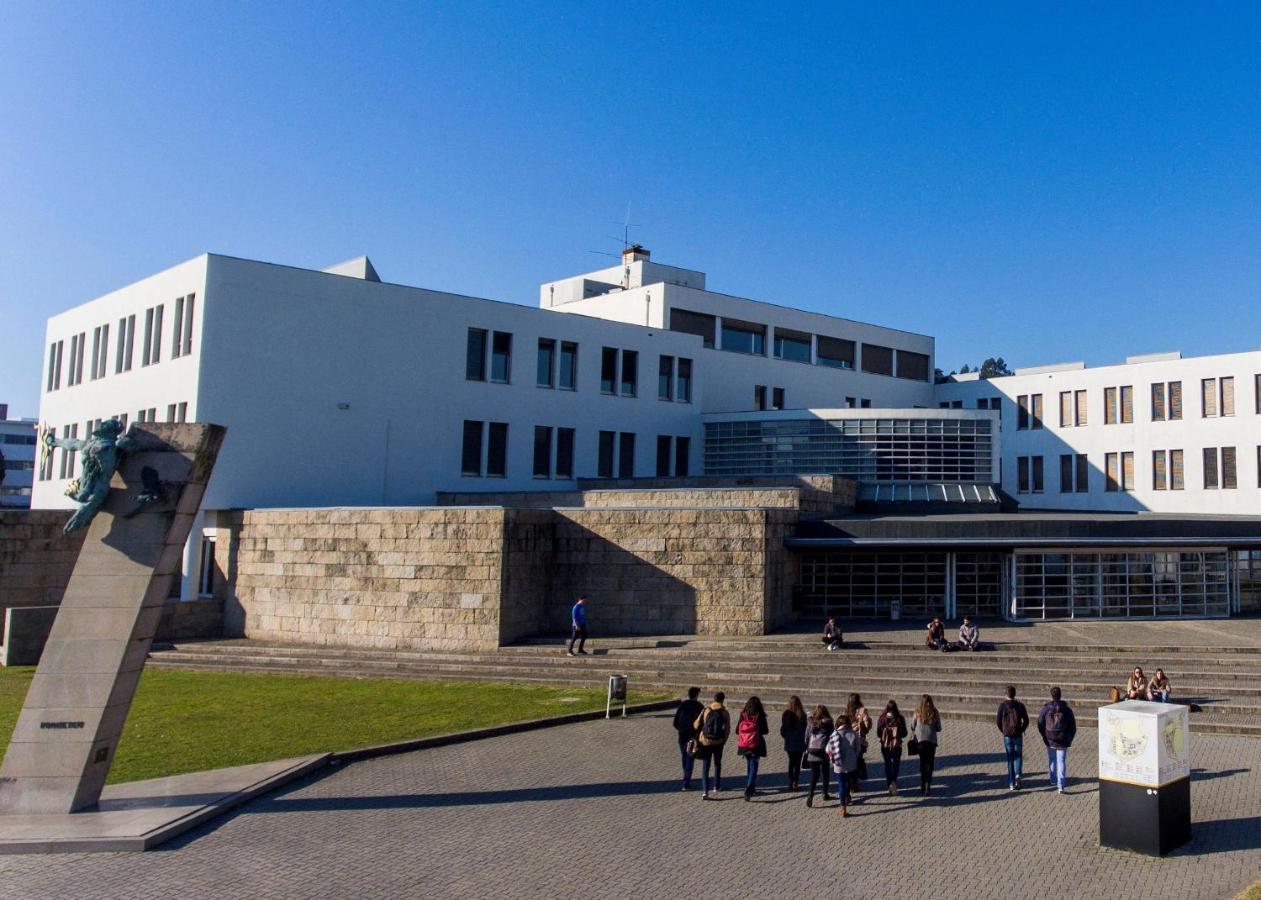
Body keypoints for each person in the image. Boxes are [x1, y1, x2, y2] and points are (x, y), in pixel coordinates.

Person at [1037, 686, 1077, 793]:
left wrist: (1044, 735)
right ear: (1060, 695)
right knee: (1061, 761)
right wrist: (1070, 738)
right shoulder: (1066, 709)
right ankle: (1061, 786)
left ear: (1051, 695)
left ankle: (1053, 779)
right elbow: (1073, 726)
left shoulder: (1046, 708)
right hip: (1063, 739)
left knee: (1052, 759)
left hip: (1050, 738)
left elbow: (1040, 722)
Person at [694, 691, 730, 800]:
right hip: (719, 741)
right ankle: (716, 785)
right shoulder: (724, 712)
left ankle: (705, 791)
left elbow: (696, 725)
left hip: (706, 741)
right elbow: (727, 729)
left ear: (714, 699)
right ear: (723, 700)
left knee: (706, 766)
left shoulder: (706, 710)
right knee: (717, 763)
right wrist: (724, 740)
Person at [826, 713, 861, 817]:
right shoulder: (853, 734)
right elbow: (858, 749)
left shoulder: (834, 734)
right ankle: (847, 797)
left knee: (841, 785)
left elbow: (828, 749)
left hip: (839, 764)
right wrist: (854, 756)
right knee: (847, 783)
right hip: (851, 764)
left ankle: (842, 807)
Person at [996, 686, 1029, 791]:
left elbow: (998, 721)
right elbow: (1026, 720)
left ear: (1006, 694)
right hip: (1018, 734)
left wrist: (1004, 730)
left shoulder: (1002, 706)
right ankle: (1018, 775)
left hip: (1007, 735)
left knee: (1010, 758)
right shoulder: (1020, 705)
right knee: (1018, 756)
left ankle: (1011, 783)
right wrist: (1021, 729)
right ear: (1014, 694)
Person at [736, 696, 769, 800]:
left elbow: (737, 730)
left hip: (744, 745)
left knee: (749, 765)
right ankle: (749, 789)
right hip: (756, 744)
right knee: (754, 766)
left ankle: (751, 786)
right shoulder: (760, 715)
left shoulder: (743, 714)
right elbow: (765, 730)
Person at [672, 687, 704, 790]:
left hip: (682, 735)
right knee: (690, 757)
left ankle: (686, 775)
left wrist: (681, 729)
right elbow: (702, 723)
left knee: (684, 756)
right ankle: (686, 783)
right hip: (692, 736)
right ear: (696, 695)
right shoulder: (699, 706)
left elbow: (675, 722)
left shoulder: (682, 705)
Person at [910, 694, 942, 796]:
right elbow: (939, 728)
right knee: (930, 763)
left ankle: (922, 784)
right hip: (931, 742)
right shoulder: (934, 712)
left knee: (923, 762)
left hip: (920, 742)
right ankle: (928, 784)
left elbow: (912, 726)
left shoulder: (917, 711)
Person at [804, 704, 834, 807]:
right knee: (825, 774)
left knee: (814, 775)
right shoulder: (829, 724)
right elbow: (832, 737)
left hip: (812, 753)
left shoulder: (811, 723)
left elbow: (806, 737)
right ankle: (825, 793)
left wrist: (808, 747)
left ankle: (810, 795)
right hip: (824, 752)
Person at [876, 699, 907, 795]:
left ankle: (889, 782)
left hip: (885, 746)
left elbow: (878, 733)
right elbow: (904, 733)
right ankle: (894, 781)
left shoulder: (882, 718)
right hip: (896, 745)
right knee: (896, 764)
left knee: (888, 764)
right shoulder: (899, 718)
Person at [844, 693, 872, 790]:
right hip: (859, 739)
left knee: (850, 761)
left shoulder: (846, 711)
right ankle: (855, 784)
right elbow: (867, 724)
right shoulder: (862, 710)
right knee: (857, 760)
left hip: (847, 739)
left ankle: (850, 782)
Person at [780, 695, 808, 790]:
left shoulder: (786, 714)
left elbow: (783, 730)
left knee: (791, 763)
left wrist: (787, 737)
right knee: (797, 764)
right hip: (800, 742)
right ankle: (796, 782)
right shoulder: (803, 715)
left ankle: (790, 781)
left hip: (790, 743)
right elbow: (805, 730)